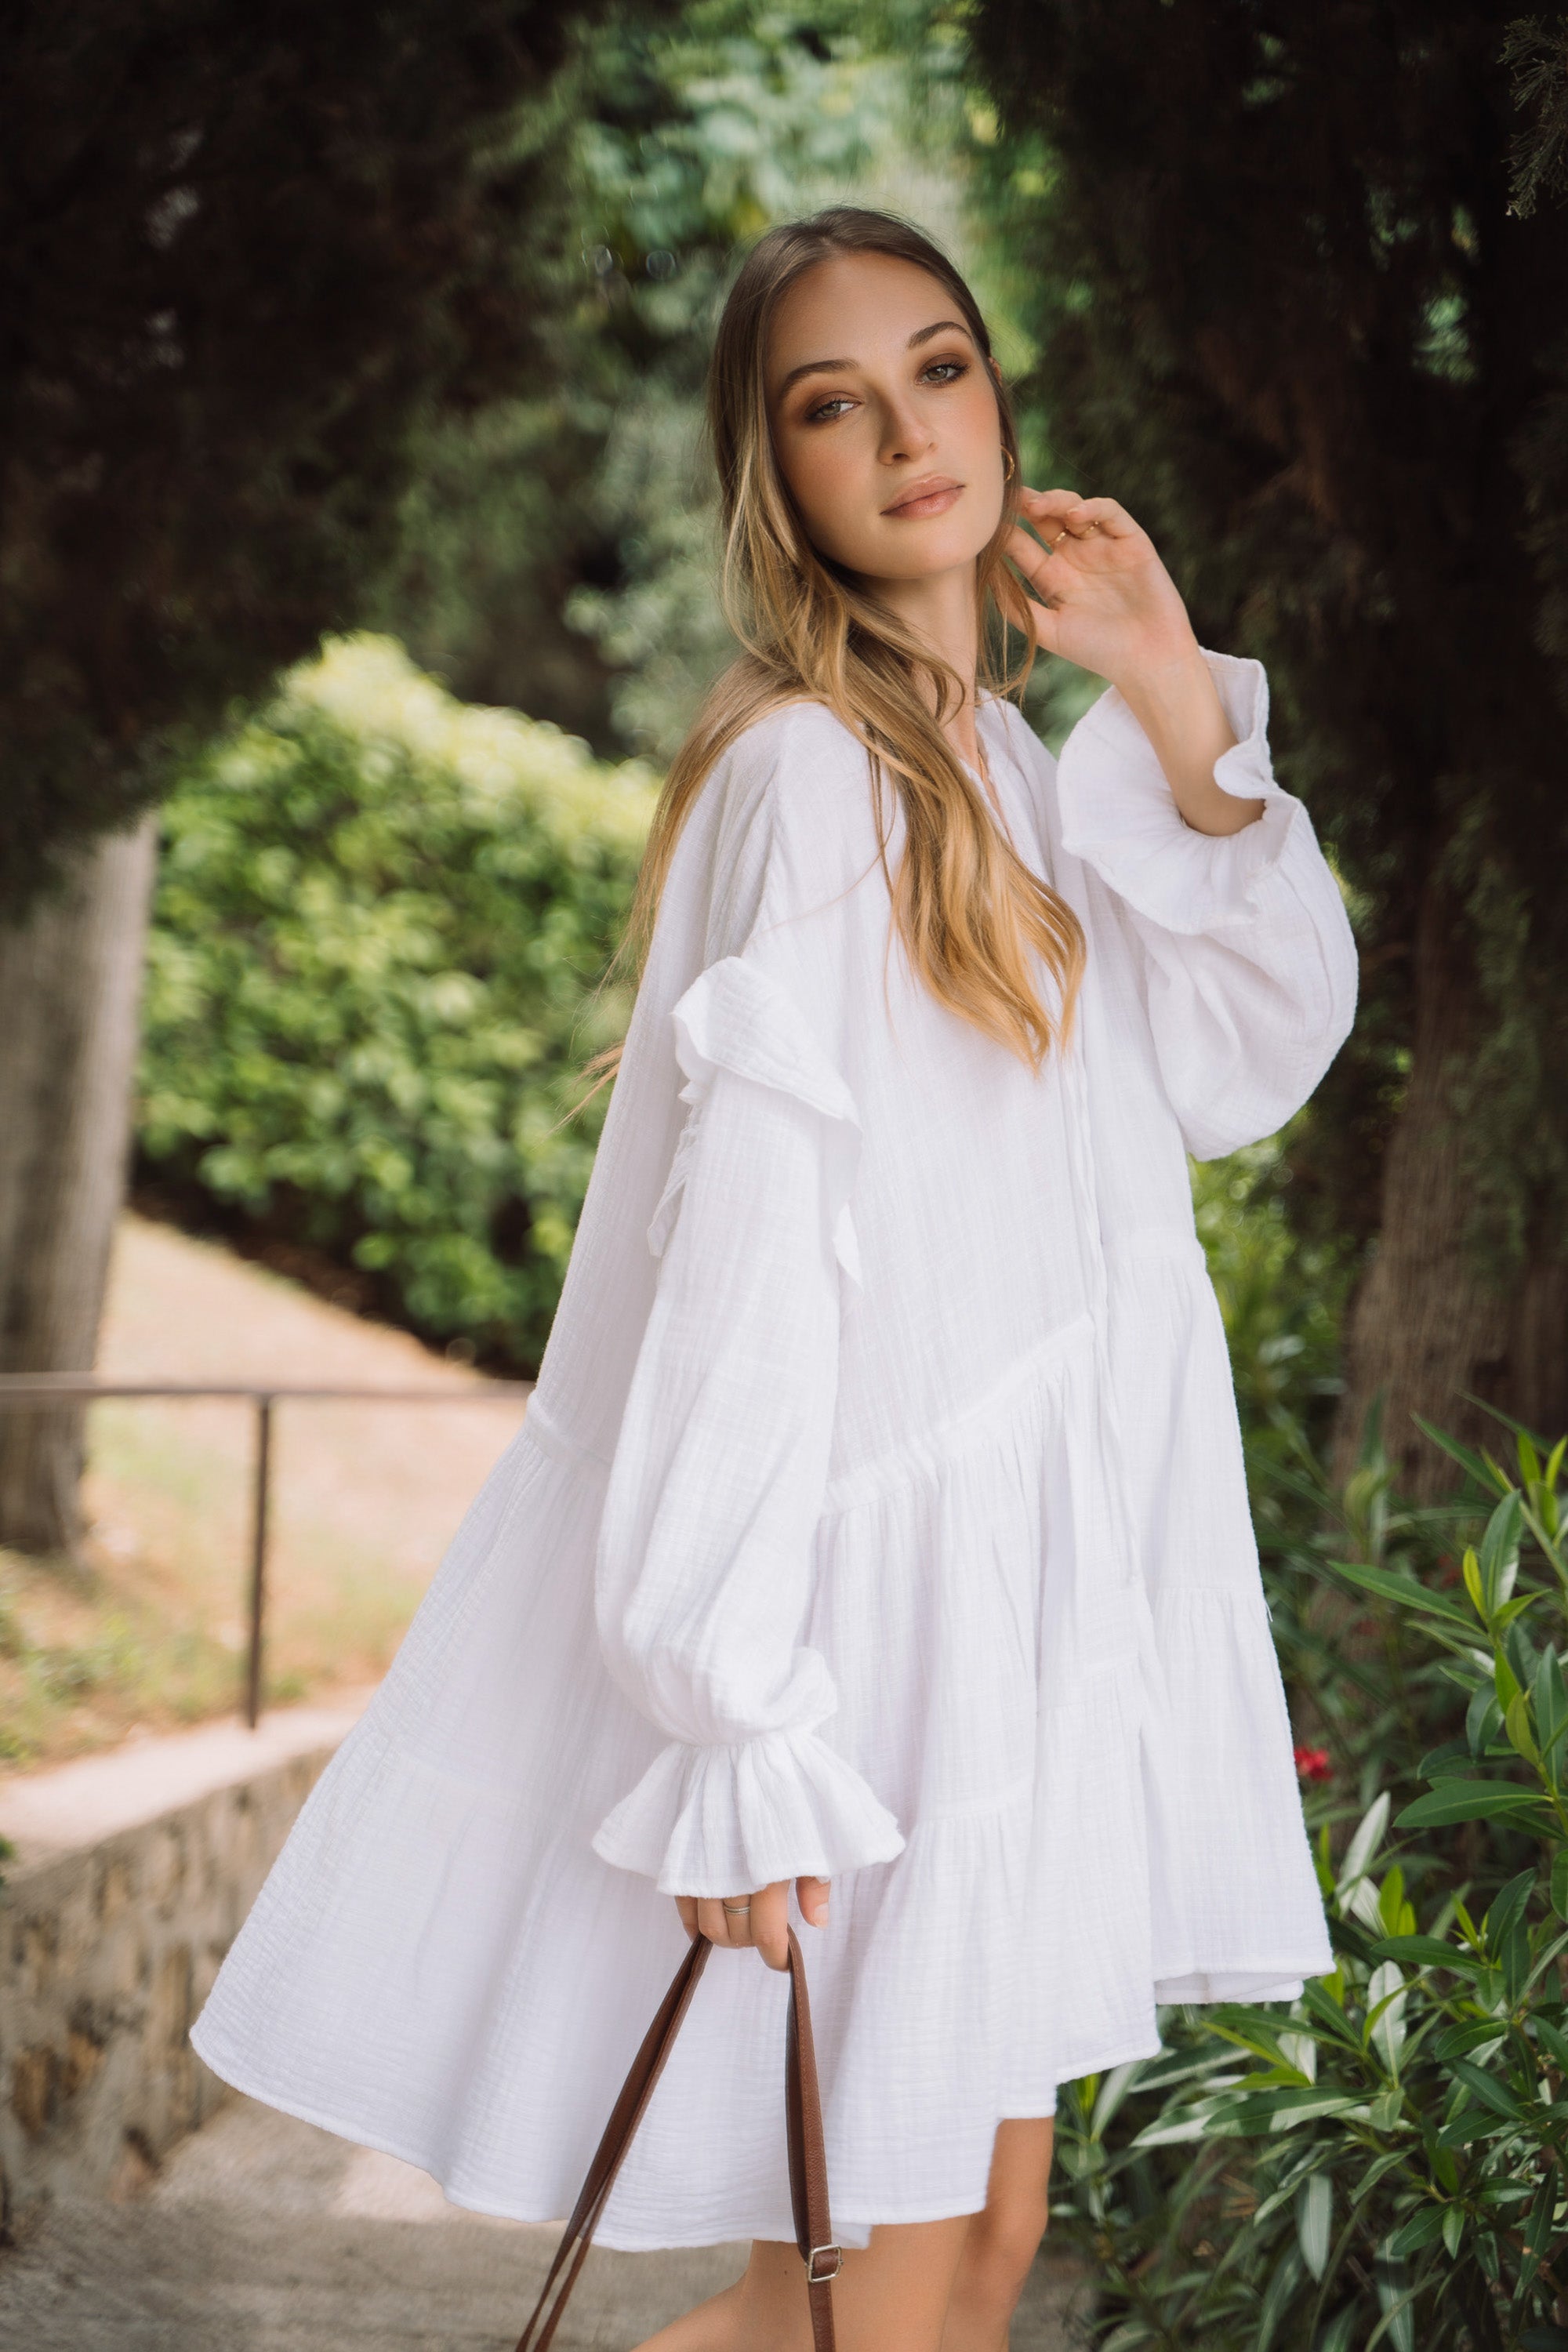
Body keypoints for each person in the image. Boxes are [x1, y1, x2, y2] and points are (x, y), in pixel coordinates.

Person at [191, 207, 1358, 2351]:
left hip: (1015, 1629)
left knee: (971, 2260)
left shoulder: (1003, 766)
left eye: (940, 368)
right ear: (777, 471)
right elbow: (736, 1273)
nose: (911, 432)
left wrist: (1175, 692)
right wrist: (734, 1706)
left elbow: (1240, 1052)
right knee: (848, 2299)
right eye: (837, 403)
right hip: (866, 1658)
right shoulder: (813, 776)